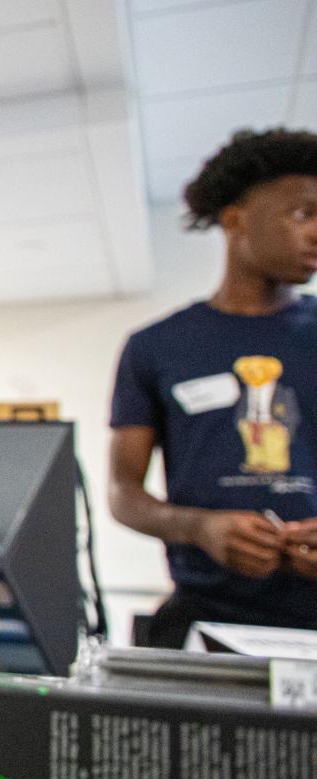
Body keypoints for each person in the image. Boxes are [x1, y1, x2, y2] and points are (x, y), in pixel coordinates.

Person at [110, 128, 317, 650]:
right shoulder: (155, 347)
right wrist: (199, 528)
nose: (316, 231)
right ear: (235, 221)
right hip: (205, 625)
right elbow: (124, 495)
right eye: (302, 214)